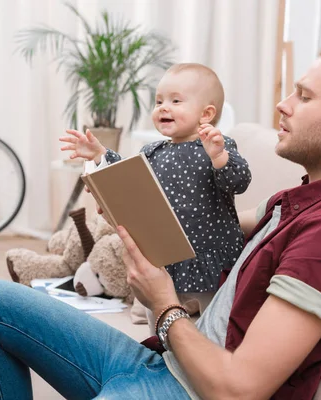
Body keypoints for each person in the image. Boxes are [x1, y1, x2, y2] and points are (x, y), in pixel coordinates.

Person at [0, 43, 321, 399]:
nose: (283, 105)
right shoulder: (307, 200)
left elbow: (239, 388)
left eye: (303, 96)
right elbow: (229, 226)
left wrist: (164, 304)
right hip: (167, 362)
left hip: (189, 390)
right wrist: (133, 213)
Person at [58, 63, 251, 330]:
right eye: (159, 101)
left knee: (215, 314)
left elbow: (239, 181)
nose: (163, 107)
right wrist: (100, 154)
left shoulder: (218, 146)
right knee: (157, 305)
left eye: (175, 101)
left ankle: (213, 353)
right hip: (165, 251)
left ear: (206, 114)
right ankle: (157, 345)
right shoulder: (153, 150)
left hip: (209, 251)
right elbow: (126, 175)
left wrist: (218, 157)